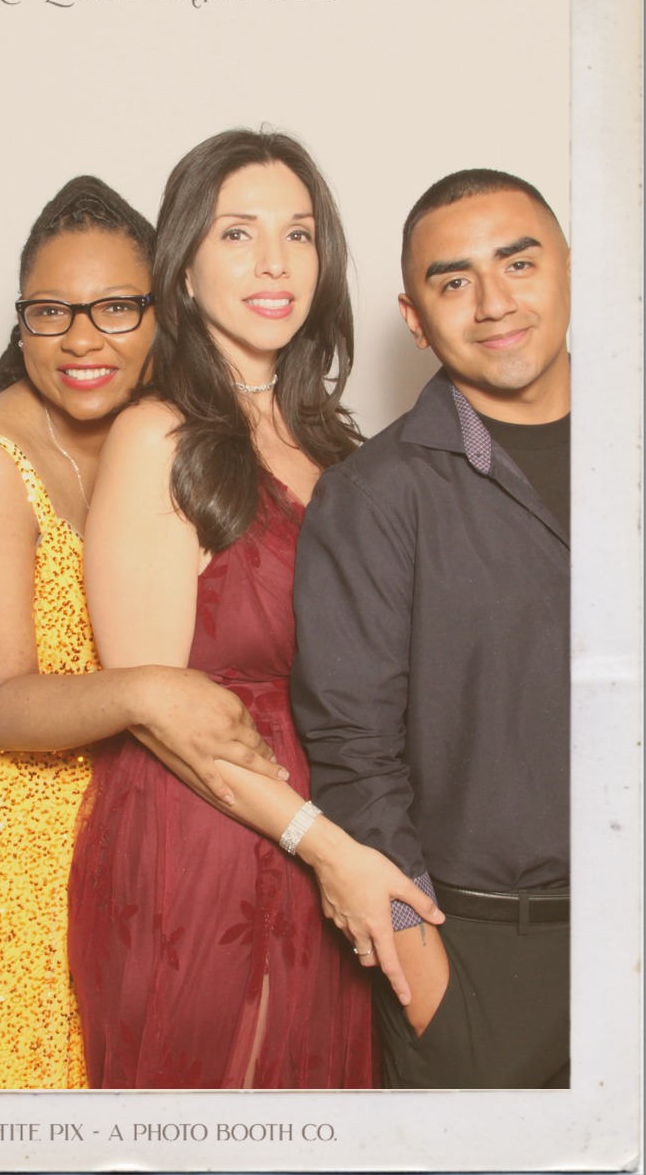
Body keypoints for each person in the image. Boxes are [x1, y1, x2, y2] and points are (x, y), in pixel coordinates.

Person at [0, 176, 283, 1091]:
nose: (82, 340)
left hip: (105, 828)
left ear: (164, 312)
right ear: (22, 327)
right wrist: (151, 691)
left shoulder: (157, 439)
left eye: (116, 308)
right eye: (51, 312)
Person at [67, 129, 442, 1089]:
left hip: (335, 826)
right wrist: (324, 847)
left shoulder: (336, 442)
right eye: (237, 233)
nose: (275, 261)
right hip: (205, 833)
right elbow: (154, 709)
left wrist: (349, 845)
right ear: (184, 269)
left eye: (299, 233)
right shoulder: (158, 436)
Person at [291, 168, 571, 1088]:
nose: (493, 302)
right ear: (415, 319)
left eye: (518, 263)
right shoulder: (376, 496)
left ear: (570, 268)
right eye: (454, 281)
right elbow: (351, 752)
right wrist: (432, 992)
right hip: (489, 966)